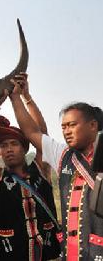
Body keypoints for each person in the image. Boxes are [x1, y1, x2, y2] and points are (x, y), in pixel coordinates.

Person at [9, 75, 103, 260]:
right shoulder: (63, 155)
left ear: (93, 125)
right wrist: (18, 98)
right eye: (64, 127)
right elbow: (31, 132)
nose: (66, 131)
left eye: (72, 125)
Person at [0, 73, 60, 261]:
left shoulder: (41, 171)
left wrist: (24, 97)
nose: (8, 150)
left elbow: (42, 134)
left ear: (24, 147)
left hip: (49, 254)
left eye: (13, 144)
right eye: (3, 146)